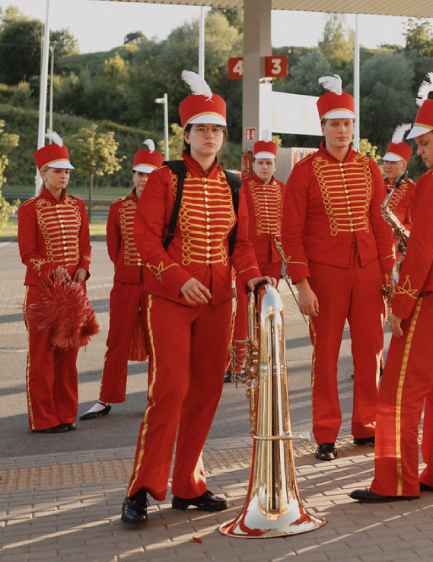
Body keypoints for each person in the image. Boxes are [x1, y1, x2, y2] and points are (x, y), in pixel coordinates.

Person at [121, 71, 271, 526]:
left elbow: (241, 246)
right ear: (186, 135)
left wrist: (255, 280)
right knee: (169, 390)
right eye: (201, 129)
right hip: (170, 299)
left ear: (224, 137)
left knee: (207, 391)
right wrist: (177, 278)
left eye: (217, 130)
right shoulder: (166, 178)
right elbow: (145, 239)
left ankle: (188, 484)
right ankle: (142, 488)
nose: (210, 136)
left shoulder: (235, 184)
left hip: (218, 302)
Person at [350, 69, 433, 502]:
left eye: (426, 144)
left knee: (397, 391)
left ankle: (395, 482)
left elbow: (423, 251)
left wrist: (401, 306)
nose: (420, 152)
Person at [281, 74, 396, 462]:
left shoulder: (369, 167)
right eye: (335, 124)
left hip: (368, 271)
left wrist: (387, 271)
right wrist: (302, 284)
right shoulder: (304, 170)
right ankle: (326, 433)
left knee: (371, 352)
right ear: (323, 127)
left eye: (347, 123)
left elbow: (380, 222)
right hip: (324, 275)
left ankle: (367, 425)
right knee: (326, 356)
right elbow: (291, 232)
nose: (342, 131)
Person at [80, 141, 164, 420]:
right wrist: (128, 271)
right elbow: (114, 248)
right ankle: (107, 398)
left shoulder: (166, 207)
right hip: (125, 283)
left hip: (156, 284)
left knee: (157, 343)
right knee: (116, 341)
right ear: (132, 175)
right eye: (139, 174)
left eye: (149, 175)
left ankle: (156, 397)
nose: (144, 179)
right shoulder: (118, 208)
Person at [18, 131, 92, 434]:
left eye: (67, 172)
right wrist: (52, 269)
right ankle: (44, 419)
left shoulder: (78, 206)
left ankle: (65, 414)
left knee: (68, 357)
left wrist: (84, 267)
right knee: (42, 358)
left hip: (73, 292)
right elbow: (28, 253)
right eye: (58, 171)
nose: (64, 176)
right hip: (42, 293)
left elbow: (85, 245)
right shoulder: (29, 209)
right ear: (43, 173)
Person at [225, 130, 285, 383]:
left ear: (275, 165)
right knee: (244, 310)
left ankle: (265, 360)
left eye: (269, 163)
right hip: (248, 258)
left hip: (274, 258)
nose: (264, 167)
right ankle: (236, 364)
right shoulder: (243, 188)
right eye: (260, 163)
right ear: (254, 164)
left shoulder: (283, 189)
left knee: (269, 309)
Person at [382, 123, 416, 233]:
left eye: (393, 162)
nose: (387, 166)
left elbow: (415, 225)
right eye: (386, 161)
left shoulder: (413, 190)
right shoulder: (376, 184)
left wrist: (395, 230)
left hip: (397, 242)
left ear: (404, 166)